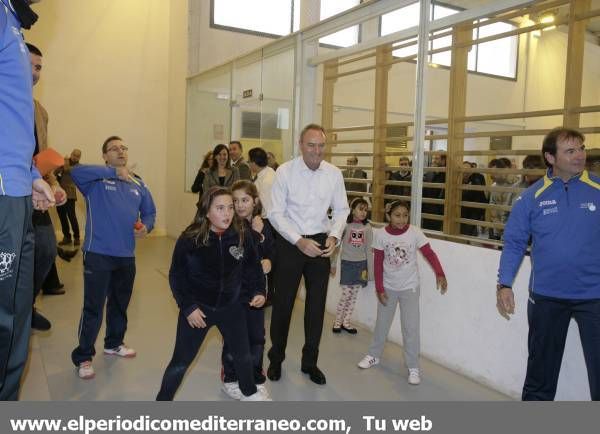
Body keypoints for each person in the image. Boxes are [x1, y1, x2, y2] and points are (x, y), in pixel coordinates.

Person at [497, 127, 600, 401]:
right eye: (570, 150)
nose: (579, 155)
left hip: (595, 298)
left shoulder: (598, 189)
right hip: (547, 298)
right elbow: (515, 243)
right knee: (540, 377)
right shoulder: (531, 198)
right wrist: (504, 283)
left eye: (581, 148)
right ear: (550, 157)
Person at [156, 187, 270, 401]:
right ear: (207, 211)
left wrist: (258, 291)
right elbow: (176, 277)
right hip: (198, 311)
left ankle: (249, 391)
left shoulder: (242, 235)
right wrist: (188, 307)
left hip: (231, 308)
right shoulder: (190, 239)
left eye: (230, 207)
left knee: (243, 355)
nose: (227, 213)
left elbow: (253, 268)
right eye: (220, 208)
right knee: (180, 362)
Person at [0, 0, 55, 401]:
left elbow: (13, 118)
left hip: (18, 187)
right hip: (2, 191)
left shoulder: (13, 22)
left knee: (17, 314)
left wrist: (33, 176)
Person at [267, 123, 349, 386]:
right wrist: (299, 241)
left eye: (321, 145)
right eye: (311, 145)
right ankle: (276, 359)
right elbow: (275, 214)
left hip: (321, 243)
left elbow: (342, 210)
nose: (316, 150)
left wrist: (334, 236)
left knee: (316, 309)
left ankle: (310, 362)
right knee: (283, 305)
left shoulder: (334, 174)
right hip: (291, 242)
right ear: (301, 145)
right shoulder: (285, 171)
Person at [70, 136, 156, 380]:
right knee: (93, 308)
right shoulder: (96, 180)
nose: (120, 151)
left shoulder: (138, 183)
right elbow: (75, 171)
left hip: (126, 256)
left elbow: (150, 212)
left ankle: (113, 343)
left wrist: (146, 227)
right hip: (97, 253)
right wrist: (113, 171)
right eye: (114, 149)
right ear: (105, 156)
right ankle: (84, 356)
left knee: (120, 303)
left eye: (123, 148)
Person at [357, 200, 447, 386]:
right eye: (397, 215)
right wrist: (379, 288)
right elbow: (378, 263)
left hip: (410, 288)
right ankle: (374, 355)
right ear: (389, 216)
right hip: (388, 287)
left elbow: (429, 253)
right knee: (382, 324)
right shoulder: (381, 235)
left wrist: (440, 272)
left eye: (405, 215)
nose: (402, 219)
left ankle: (413, 366)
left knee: (411, 328)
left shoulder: (414, 232)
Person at [26, 42, 67, 331]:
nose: (34, 72)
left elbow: (41, 153)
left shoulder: (40, 111)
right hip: (9, 191)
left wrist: (52, 183)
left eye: (38, 67)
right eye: (28, 64)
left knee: (46, 248)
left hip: (36, 191)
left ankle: (25, 306)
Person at [220, 181, 274, 400]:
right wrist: (253, 234)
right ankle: (230, 378)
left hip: (257, 293)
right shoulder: (227, 227)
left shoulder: (266, 226)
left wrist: (269, 260)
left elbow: (270, 252)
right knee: (233, 336)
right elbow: (234, 257)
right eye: (235, 201)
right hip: (233, 294)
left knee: (257, 336)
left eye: (245, 200)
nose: (240, 206)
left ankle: (255, 377)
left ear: (255, 201)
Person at [330, 198, 373, 334]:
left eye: (365, 210)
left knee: (353, 295)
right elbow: (336, 246)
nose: (363, 213)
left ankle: (346, 322)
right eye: (360, 209)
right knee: (346, 294)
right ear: (352, 209)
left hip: (361, 264)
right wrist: (333, 263)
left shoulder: (368, 227)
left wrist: (370, 270)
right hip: (347, 263)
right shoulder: (345, 225)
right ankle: (337, 321)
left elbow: (369, 249)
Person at [56, 148, 82, 246]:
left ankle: (77, 237)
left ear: (79, 158)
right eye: (74, 154)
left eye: (77, 156)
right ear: (71, 154)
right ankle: (67, 237)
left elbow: (69, 170)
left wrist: (65, 163)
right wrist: (60, 165)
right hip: (60, 193)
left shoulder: (79, 167)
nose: (75, 157)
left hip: (70, 194)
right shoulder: (63, 163)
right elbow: (55, 173)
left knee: (72, 216)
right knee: (62, 216)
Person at [488, 158, 516, 240]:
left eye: (495, 172)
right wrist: (497, 224)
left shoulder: (517, 184)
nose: (492, 176)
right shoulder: (494, 186)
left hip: (513, 229)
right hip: (498, 228)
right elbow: (492, 205)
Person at [460, 161, 487, 237]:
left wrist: (481, 214)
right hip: (460, 213)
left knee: (469, 234)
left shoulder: (477, 179)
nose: (465, 171)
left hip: (473, 213)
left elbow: (481, 197)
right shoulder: (457, 180)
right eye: (463, 169)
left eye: (467, 169)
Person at [421, 152, 446, 231]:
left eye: (436, 158)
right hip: (427, 212)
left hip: (440, 214)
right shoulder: (428, 173)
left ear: (443, 161)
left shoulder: (447, 176)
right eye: (433, 158)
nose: (433, 161)